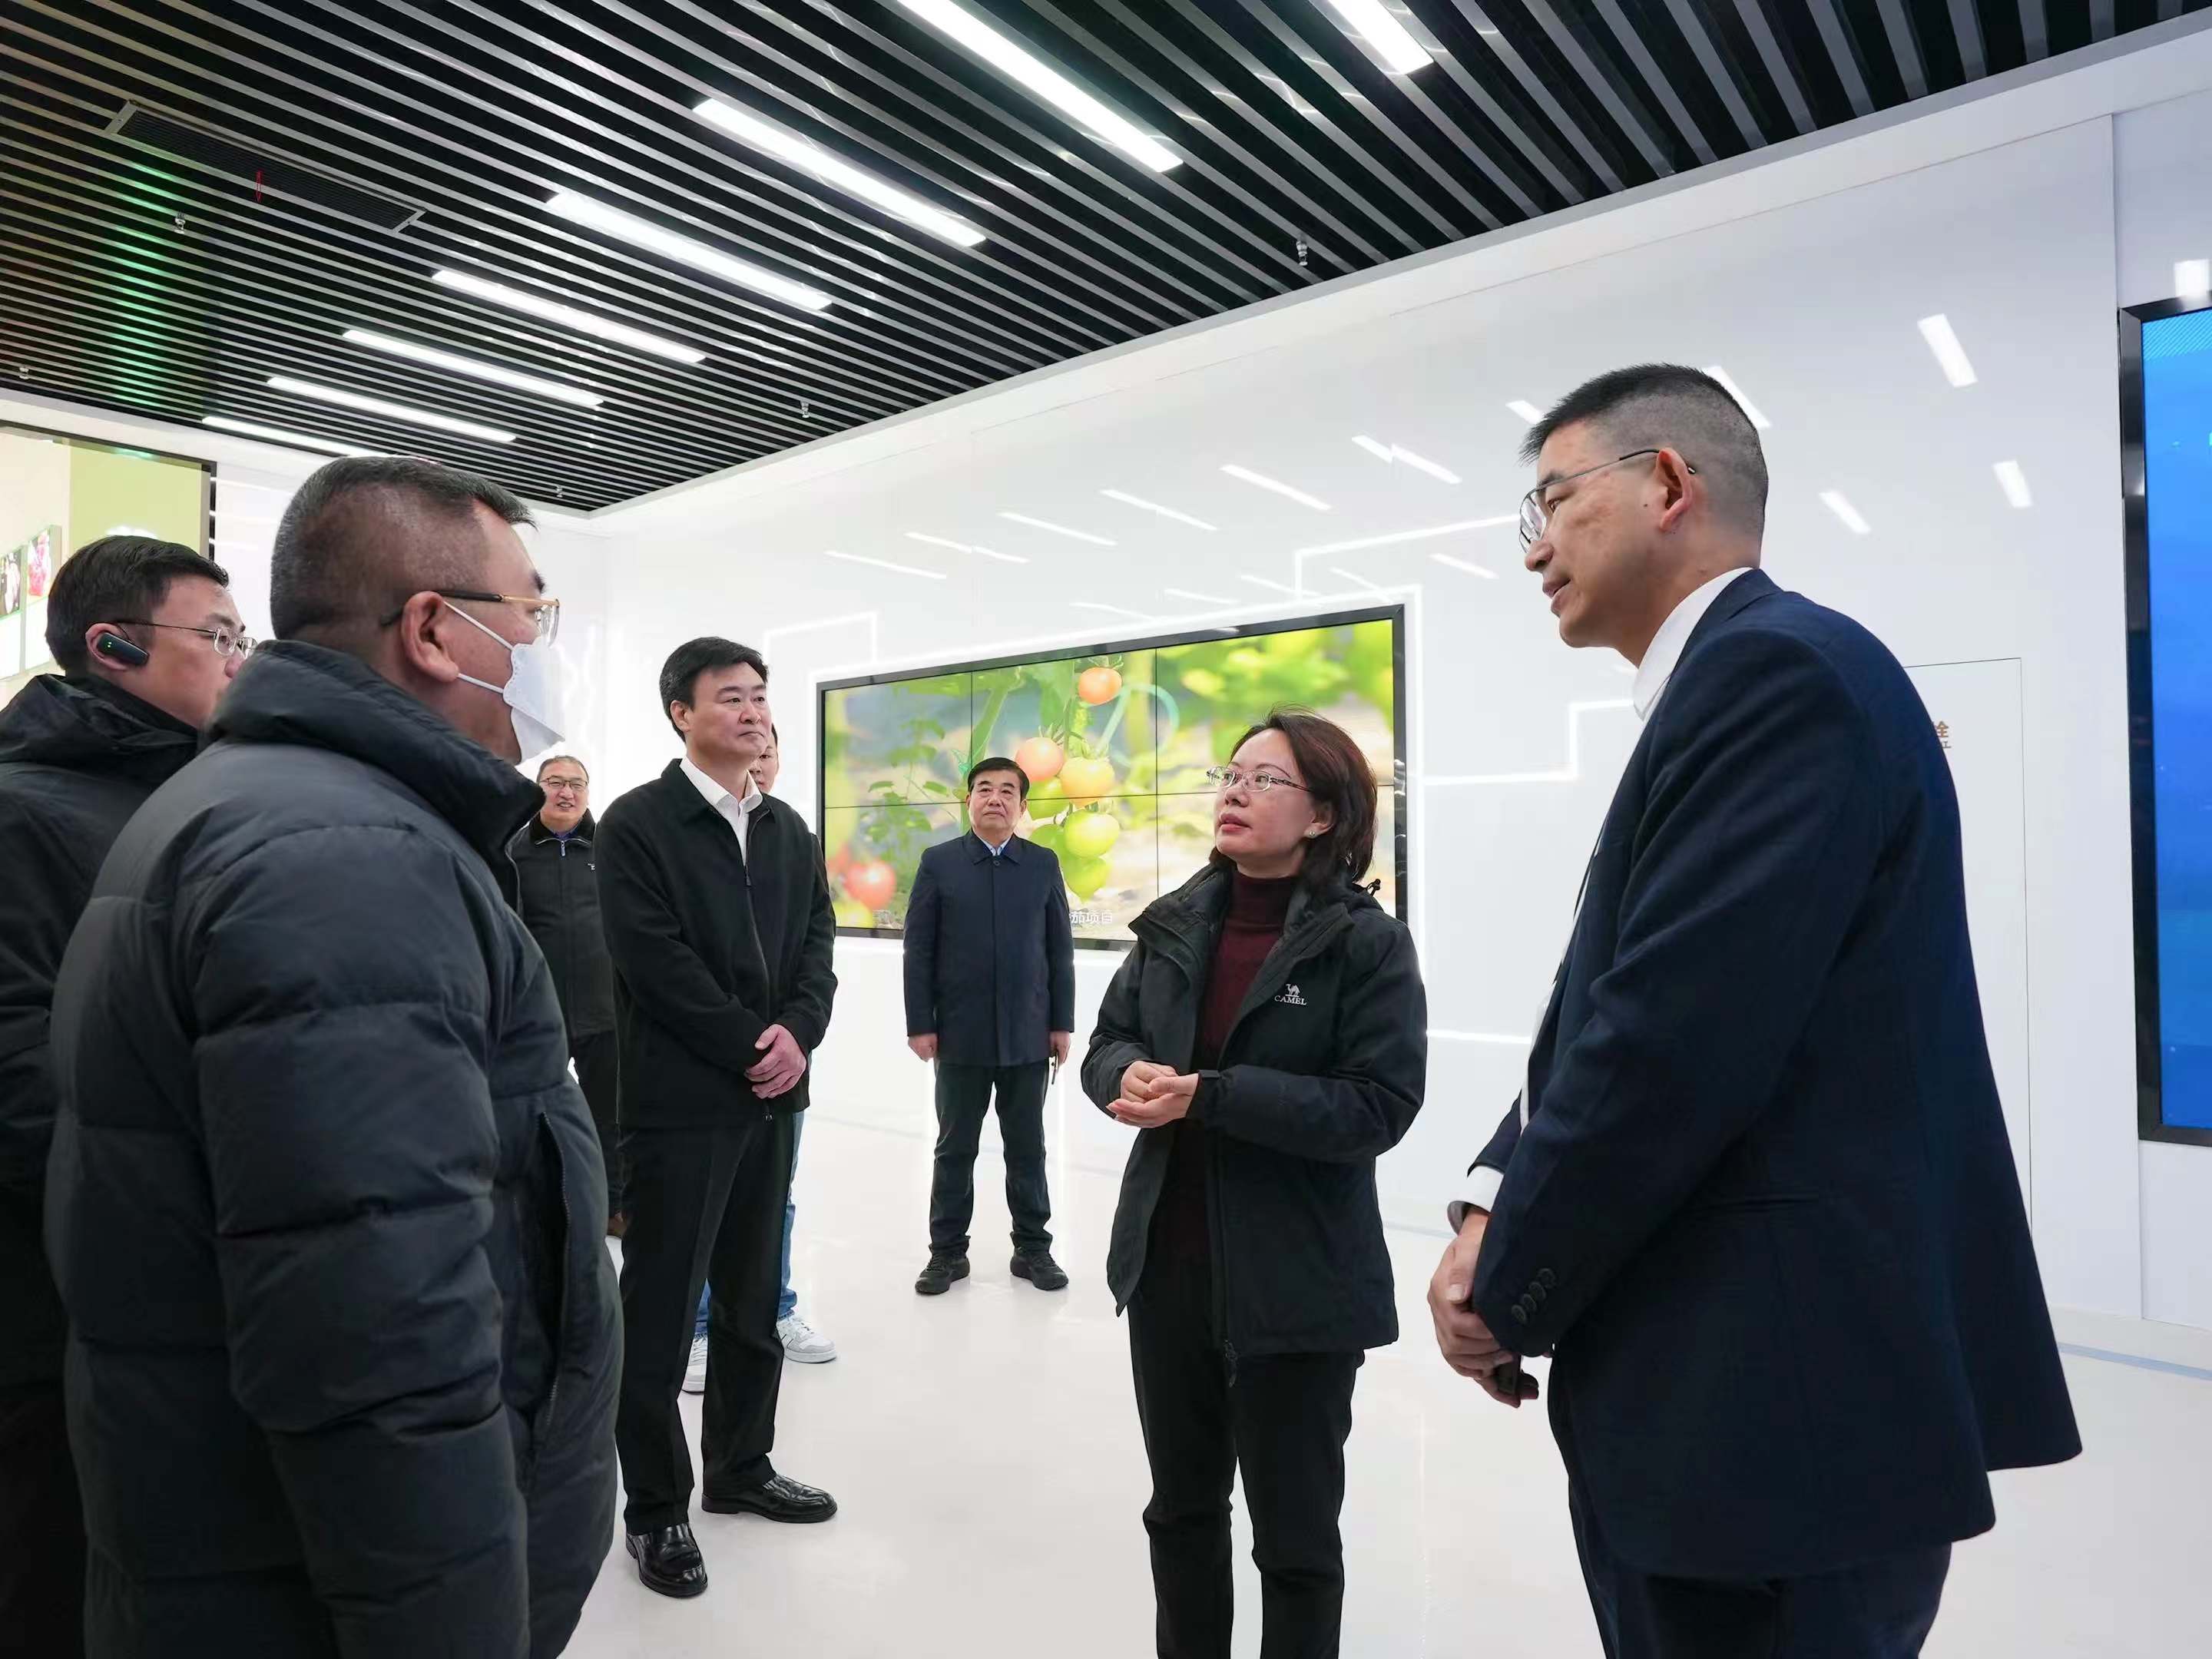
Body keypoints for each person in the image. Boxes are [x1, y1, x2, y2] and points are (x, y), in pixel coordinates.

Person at [1426, 365, 2081, 1659]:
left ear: (1667, 482)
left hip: (1774, 1419)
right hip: (1758, 1409)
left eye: (1552, 501)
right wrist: (1493, 1199)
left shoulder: (1774, 676)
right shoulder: (1749, 679)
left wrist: (1510, 1280)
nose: (1534, 549)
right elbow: (1610, 1004)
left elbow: (1670, 1043)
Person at [44, 456, 621, 1657]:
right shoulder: (347, 858)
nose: (543, 643)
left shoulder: (265, 803)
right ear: (434, 630)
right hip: (292, 1589)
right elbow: (381, 1338)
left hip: (227, 1546)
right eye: (532, 609)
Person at [1083, 710, 1426, 1659]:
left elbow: (1378, 1106)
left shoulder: (1365, 944)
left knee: (1297, 1544)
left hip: (1299, 1287)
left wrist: (1216, 1096)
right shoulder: (1174, 924)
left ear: (1323, 815)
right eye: (1229, 776)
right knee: (1181, 1513)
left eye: (1265, 780)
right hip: (1169, 1269)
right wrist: (1123, 1074)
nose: (1235, 793)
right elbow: (1108, 1039)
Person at [0, 536, 244, 1656]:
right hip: (59, 1291)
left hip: (180, 1284)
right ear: (113, 646)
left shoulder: (202, 799)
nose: (238, 659)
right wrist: (169, 1197)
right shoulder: (23, 810)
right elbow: (19, 1072)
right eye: (217, 635)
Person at [598, 638, 839, 1600]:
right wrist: (751, 1042)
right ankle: (655, 1509)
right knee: (661, 1315)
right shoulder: (638, 824)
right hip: (682, 1105)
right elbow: (653, 962)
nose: (752, 712)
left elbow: (817, 946)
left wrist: (799, 1034)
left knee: (752, 1300)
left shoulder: (785, 828)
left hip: (775, 1098)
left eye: (760, 697)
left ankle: (741, 1467)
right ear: (681, 713)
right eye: (730, 697)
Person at [905, 755, 1075, 1295]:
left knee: (1028, 1147)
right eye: (984, 788)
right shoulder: (939, 863)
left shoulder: (1043, 864)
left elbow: (1060, 950)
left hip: (1029, 1033)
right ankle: (946, 1254)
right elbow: (918, 950)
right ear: (968, 800)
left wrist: (1062, 1023)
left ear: (1023, 806)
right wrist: (920, 1023)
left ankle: (1033, 1249)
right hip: (960, 1035)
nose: (995, 798)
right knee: (954, 1149)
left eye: (1007, 790)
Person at [511, 753, 624, 1231]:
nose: (566, 792)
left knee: (610, 1118)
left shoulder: (612, 849)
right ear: (538, 789)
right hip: (540, 1013)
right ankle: (540, 1209)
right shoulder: (512, 852)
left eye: (577, 784)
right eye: (555, 782)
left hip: (606, 1010)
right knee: (538, 1115)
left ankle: (613, 1206)